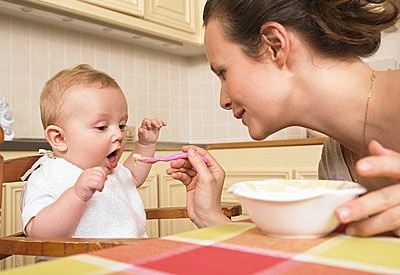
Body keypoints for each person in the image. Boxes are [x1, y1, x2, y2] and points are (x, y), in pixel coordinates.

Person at [167, 0, 400, 237]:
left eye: (223, 73)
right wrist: (210, 217)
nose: (223, 100)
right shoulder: (335, 157)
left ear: (274, 45)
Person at [20, 64, 166, 238]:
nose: (119, 134)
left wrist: (145, 145)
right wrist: (77, 194)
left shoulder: (112, 170)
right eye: (102, 127)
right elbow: (38, 234)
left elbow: (133, 176)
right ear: (59, 138)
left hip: (129, 258)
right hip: (76, 264)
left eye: (121, 125)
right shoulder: (48, 176)